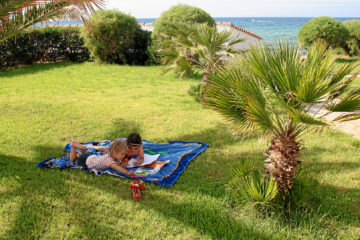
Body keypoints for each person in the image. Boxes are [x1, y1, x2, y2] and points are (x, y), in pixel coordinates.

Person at [69, 138, 134, 176]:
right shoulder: (109, 160)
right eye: (122, 154)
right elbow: (116, 167)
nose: (123, 156)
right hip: (85, 160)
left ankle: (83, 149)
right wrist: (127, 172)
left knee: (86, 153)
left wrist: (122, 164)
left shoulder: (114, 155)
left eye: (124, 154)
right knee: (73, 161)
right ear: (115, 151)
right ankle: (73, 146)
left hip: (92, 156)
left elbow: (118, 163)